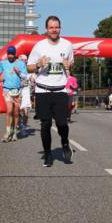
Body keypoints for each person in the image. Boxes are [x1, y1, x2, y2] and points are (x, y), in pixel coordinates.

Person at [27, 16, 75, 166]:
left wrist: (68, 65)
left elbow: (70, 63)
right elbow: (29, 67)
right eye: (51, 27)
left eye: (57, 27)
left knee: (62, 124)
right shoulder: (39, 46)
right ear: (46, 29)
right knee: (45, 124)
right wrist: (38, 64)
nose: (54, 30)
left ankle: (65, 143)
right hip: (42, 90)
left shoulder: (67, 45)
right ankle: (48, 154)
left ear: (60, 28)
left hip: (60, 90)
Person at [0, 46, 28, 143]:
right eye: (9, 54)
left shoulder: (21, 63)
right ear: (7, 54)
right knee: (9, 110)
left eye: (12, 54)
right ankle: (8, 132)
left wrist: (19, 72)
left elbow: (25, 76)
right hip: (7, 90)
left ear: (15, 54)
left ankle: (14, 132)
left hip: (17, 90)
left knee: (16, 112)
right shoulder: (3, 63)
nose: (10, 56)